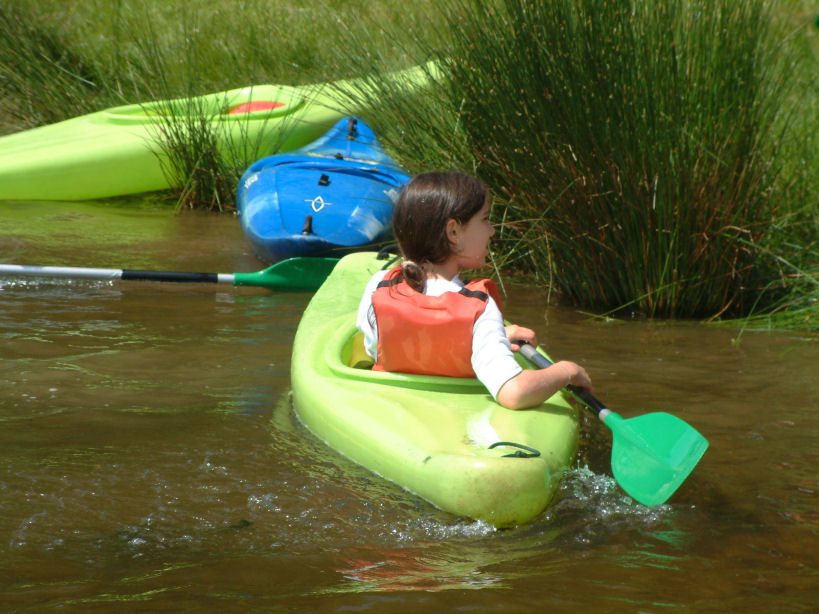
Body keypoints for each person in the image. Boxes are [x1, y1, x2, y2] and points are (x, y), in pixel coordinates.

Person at [355, 171, 593, 410]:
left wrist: (494, 335)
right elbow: (513, 392)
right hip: (454, 419)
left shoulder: (380, 286)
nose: (491, 230)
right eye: (485, 219)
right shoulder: (479, 307)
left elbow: (378, 349)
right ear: (453, 232)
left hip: (392, 409)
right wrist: (566, 371)